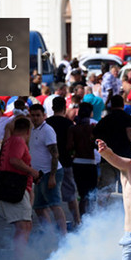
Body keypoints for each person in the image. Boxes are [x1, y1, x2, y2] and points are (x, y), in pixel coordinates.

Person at [0, 117, 39, 259]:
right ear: (28, 131)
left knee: (26, 225)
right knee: (23, 227)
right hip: (15, 187)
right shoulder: (18, 141)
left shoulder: (10, 140)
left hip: (16, 187)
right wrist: (33, 172)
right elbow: (14, 160)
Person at [29, 104, 67, 234]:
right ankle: (49, 233)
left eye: (38, 115)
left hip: (50, 173)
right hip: (39, 175)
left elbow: (55, 154)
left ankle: (63, 236)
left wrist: (52, 176)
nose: (35, 118)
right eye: (33, 115)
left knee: (54, 205)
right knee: (39, 207)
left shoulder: (47, 130)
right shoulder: (33, 130)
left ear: (44, 116)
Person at [93, 95, 131, 199]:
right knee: (126, 187)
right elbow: (130, 131)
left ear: (111, 105)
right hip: (124, 159)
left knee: (105, 188)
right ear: (123, 104)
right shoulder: (127, 118)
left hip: (108, 159)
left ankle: (102, 212)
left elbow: (95, 135)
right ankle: (125, 211)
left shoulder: (105, 120)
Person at [46, 96, 81, 228]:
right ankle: (77, 221)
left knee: (50, 197)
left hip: (49, 164)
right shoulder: (69, 124)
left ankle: (52, 224)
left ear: (53, 108)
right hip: (66, 162)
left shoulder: (47, 123)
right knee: (70, 194)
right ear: (64, 108)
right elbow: (73, 145)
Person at [68, 102, 97, 215]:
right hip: (91, 162)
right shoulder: (93, 128)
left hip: (78, 162)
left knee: (82, 194)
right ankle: (91, 219)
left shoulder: (73, 128)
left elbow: (69, 146)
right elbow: (97, 144)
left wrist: (77, 147)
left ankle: (81, 219)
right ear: (90, 114)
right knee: (91, 194)